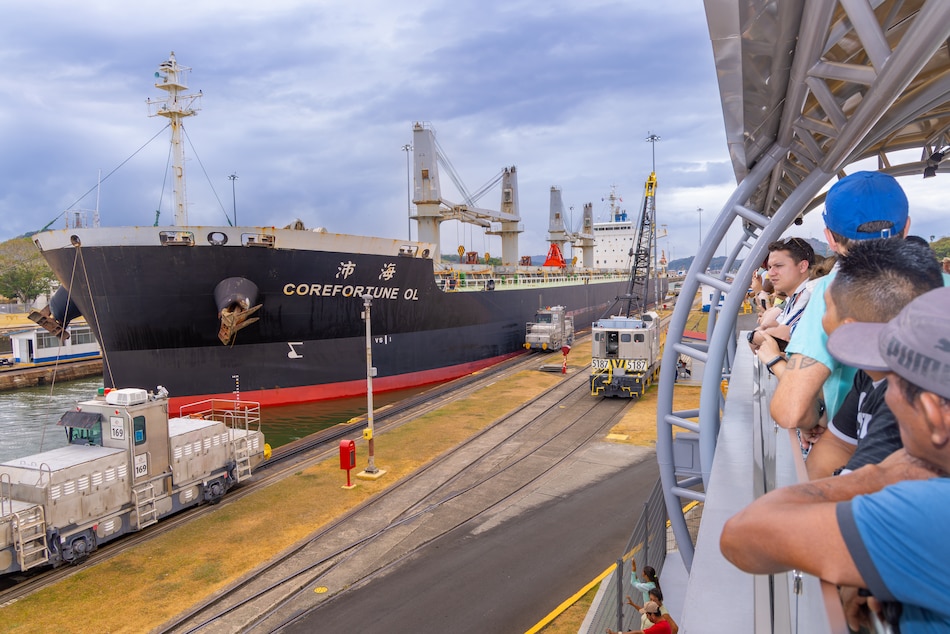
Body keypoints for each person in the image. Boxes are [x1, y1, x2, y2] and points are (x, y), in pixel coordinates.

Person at [721, 286, 950, 631]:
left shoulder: (928, 510)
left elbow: (742, 535)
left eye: (893, 388)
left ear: (933, 415)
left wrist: (881, 474)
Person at [754, 238, 943, 475]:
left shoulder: (903, 396)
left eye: (825, 308)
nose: (816, 321)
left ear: (848, 327)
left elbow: (858, 489)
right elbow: (835, 447)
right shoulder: (869, 378)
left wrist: (774, 360)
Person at [770, 171, 911, 433]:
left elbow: (791, 410)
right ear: (906, 228)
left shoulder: (831, 292)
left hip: (851, 454)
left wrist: (819, 416)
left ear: (831, 239)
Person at [748, 237, 815, 351]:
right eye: (769, 267)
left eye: (778, 266)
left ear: (802, 266)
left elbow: (780, 337)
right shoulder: (793, 298)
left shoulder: (810, 296)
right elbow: (772, 327)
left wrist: (752, 337)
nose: (771, 273)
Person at [606, 601, 672, 634]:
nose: (646, 616)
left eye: (647, 614)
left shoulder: (660, 627)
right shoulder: (662, 623)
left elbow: (637, 633)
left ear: (652, 615)